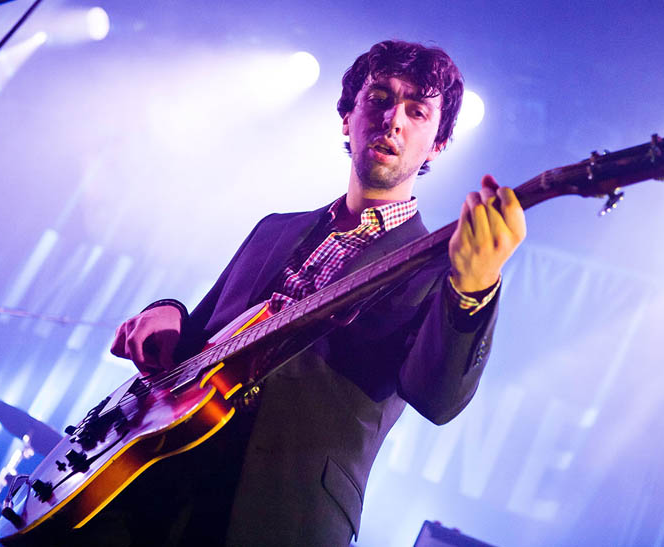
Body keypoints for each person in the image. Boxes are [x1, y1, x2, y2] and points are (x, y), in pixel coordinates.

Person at [105, 40, 526, 546]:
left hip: (280, 511)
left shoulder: (440, 270)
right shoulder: (274, 229)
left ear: (437, 143)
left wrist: (475, 288)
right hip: (155, 485)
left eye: (417, 111)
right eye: (379, 99)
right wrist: (164, 313)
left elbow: (437, 398)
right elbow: (197, 333)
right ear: (348, 116)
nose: (394, 119)